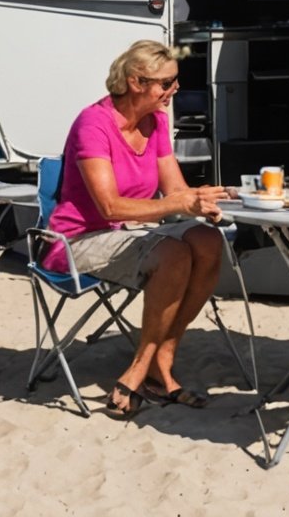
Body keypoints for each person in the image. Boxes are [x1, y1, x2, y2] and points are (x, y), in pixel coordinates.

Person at [44, 39, 229, 419]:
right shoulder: (93, 124)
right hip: (78, 238)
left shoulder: (156, 121)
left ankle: (163, 359)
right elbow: (108, 206)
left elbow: (175, 190)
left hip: (133, 232)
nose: (173, 90)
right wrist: (179, 204)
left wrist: (202, 201)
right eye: (165, 84)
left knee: (209, 241)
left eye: (175, 82)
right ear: (135, 82)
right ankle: (142, 370)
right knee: (173, 253)